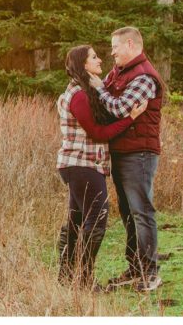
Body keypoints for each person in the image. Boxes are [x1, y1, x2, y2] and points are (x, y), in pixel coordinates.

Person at [56, 45, 146, 290]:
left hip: (81, 165)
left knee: (75, 220)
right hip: (81, 165)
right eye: (94, 57)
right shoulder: (78, 95)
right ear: (83, 64)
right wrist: (131, 118)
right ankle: (84, 280)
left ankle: (66, 277)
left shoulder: (86, 91)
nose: (100, 60)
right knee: (96, 220)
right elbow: (98, 132)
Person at [88, 26, 165, 292]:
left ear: (130, 44)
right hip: (121, 151)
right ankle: (135, 269)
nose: (112, 53)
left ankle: (150, 272)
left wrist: (99, 87)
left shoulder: (144, 77)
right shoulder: (118, 73)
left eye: (115, 47)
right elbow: (106, 105)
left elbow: (119, 109)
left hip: (140, 154)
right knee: (128, 213)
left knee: (142, 211)